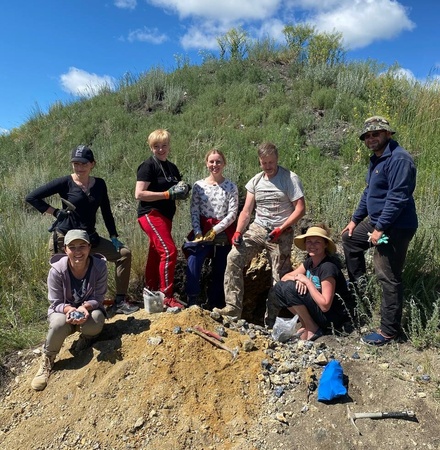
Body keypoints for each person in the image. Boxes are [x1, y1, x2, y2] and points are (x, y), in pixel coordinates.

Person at [26, 145, 138, 315]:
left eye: (83, 164)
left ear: (92, 164)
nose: (79, 168)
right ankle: (64, 312)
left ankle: (119, 301)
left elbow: (106, 211)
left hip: (89, 238)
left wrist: (113, 235)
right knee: (66, 273)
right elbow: (32, 197)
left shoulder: (99, 184)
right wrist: (55, 212)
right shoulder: (65, 182)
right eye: (75, 163)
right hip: (65, 240)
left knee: (124, 254)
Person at [341, 116, 417, 346]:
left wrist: (380, 228)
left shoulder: (399, 159)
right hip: (377, 220)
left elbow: (397, 197)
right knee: (349, 239)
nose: (371, 138)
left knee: (387, 274)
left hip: (396, 226)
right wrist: (355, 220)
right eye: (368, 135)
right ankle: (359, 295)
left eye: (376, 133)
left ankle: (388, 331)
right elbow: (369, 193)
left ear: (388, 134)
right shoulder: (377, 159)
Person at [213, 142, 306, 319]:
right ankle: (232, 309)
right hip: (258, 228)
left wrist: (282, 228)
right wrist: (238, 232)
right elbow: (246, 211)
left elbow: (300, 209)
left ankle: (273, 319)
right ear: (259, 161)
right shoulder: (255, 181)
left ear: (277, 159)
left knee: (279, 276)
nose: (268, 167)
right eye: (264, 163)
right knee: (233, 258)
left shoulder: (289, 178)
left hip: (281, 231)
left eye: (271, 162)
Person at [31, 230, 107, 391]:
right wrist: (70, 309)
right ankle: (48, 360)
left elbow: (98, 297)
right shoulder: (57, 270)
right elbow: (56, 302)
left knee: (97, 319)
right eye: (72, 247)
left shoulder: (99, 267)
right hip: (62, 311)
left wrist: (84, 307)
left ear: (89, 247)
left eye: (82, 246)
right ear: (65, 249)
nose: (78, 251)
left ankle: (85, 339)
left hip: (87, 310)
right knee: (58, 323)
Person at [135, 129, 191, 309]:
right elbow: (139, 194)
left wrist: (184, 188)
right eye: (156, 146)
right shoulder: (147, 166)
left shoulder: (172, 168)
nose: (161, 149)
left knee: (155, 253)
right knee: (169, 251)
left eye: (164, 145)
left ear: (169, 146)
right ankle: (166, 296)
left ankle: (151, 294)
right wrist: (167, 194)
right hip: (151, 214)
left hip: (166, 217)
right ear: (151, 148)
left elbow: (177, 190)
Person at [267, 225, 351, 341]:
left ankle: (312, 328)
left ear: (325, 245)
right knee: (280, 288)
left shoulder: (328, 268)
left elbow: (325, 305)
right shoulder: (310, 262)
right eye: (309, 242)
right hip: (318, 311)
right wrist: (298, 278)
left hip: (331, 317)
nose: (312, 245)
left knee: (289, 288)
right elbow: (285, 278)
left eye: (317, 242)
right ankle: (306, 324)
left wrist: (307, 282)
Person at [183, 149, 239, 308]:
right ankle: (192, 298)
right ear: (206, 163)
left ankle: (215, 303)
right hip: (202, 229)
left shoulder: (231, 186)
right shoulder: (198, 186)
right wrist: (198, 230)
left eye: (218, 161)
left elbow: (232, 213)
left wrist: (216, 230)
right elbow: (194, 210)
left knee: (221, 267)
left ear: (224, 163)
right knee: (194, 259)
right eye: (212, 161)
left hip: (223, 231)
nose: (215, 165)